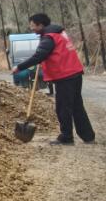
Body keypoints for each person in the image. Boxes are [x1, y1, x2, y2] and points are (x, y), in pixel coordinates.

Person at [13, 14, 96, 145]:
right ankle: (88, 136)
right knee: (77, 106)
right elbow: (54, 53)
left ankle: (66, 137)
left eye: (33, 26)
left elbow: (38, 56)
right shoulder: (59, 33)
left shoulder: (48, 37)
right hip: (74, 73)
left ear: (41, 25)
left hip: (65, 76)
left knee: (63, 107)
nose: (32, 29)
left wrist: (19, 67)